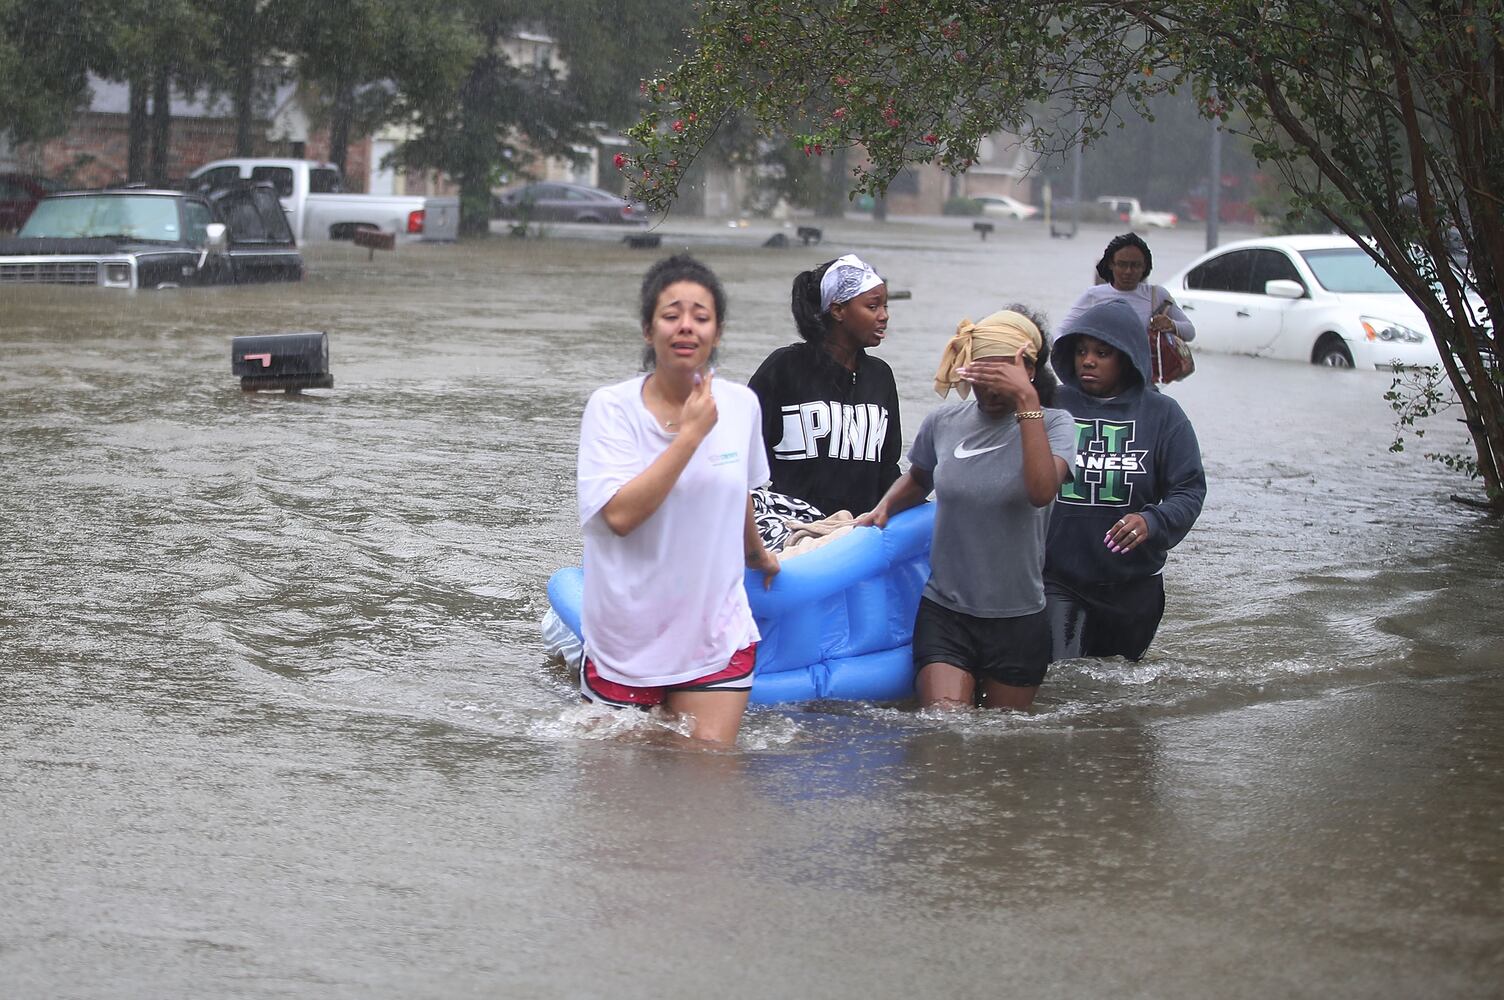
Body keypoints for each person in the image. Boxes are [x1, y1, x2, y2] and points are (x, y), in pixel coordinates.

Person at [575, 254, 780, 745]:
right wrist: (689, 436)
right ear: (649, 330)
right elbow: (621, 516)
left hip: (715, 632)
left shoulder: (741, 405)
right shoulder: (611, 410)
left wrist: (758, 555)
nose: (686, 326)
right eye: (671, 315)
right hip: (626, 637)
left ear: (717, 331)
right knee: (618, 808)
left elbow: (739, 491)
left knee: (703, 795)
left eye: (701, 316)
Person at [858, 307, 1076, 710]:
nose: (990, 391)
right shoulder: (944, 422)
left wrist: (1026, 400)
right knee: (944, 729)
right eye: (981, 377)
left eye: (1000, 379)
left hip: (1019, 618)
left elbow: (1042, 491)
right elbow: (920, 478)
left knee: (1001, 746)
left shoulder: (1056, 425)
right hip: (946, 612)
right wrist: (883, 507)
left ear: (1028, 370)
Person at [1044, 298, 1207, 661]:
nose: (1088, 360)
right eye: (1082, 351)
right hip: (1059, 579)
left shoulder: (1163, 415)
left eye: (1102, 353)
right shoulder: (1050, 404)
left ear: (1127, 357)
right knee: (1061, 678)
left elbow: (1189, 489)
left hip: (1134, 586)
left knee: (1114, 693)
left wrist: (1152, 520)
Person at [747, 253, 902, 518]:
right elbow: (742, 454)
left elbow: (888, 467)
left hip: (860, 534)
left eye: (885, 307)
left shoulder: (881, 377)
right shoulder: (784, 368)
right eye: (873, 306)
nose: (884, 316)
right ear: (838, 310)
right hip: (794, 528)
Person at [1056, 232, 1195, 356]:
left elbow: (1190, 332)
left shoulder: (1157, 295)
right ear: (1111, 264)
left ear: (1144, 267)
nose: (1128, 271)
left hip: (1144, 379)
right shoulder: (1093, 295)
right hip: (1104, 378)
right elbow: (1061, 332)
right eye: (1122, 264)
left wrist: (1171, 325)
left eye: (1135, 265)